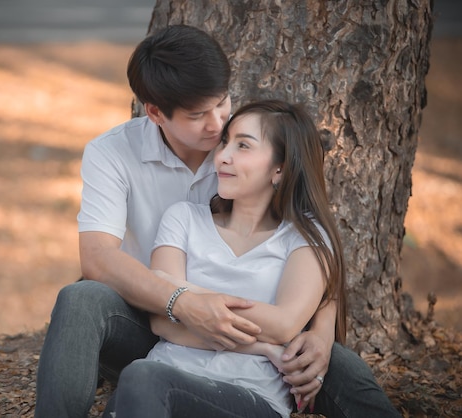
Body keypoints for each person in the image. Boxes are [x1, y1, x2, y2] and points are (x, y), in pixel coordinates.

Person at [34, 25, 400, 418]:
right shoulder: (113, 154)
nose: (216, 124)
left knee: (332, 363)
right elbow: (98, 259)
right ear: (155, 112)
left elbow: (314, 249)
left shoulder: (244, 145)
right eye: (197, 115)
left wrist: (322, 330)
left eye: (222, 102)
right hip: (153, 322)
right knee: (81, 299)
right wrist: (183, 303)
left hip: (256, 342)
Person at [104, 99, 346, 417]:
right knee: (139, 379)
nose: (222, 157)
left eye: (243, 146)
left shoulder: (304, 236)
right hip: (162, 379)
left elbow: (284, 325)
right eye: (225, 142)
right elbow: (162, 320)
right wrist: (262, 345)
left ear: (280, 168)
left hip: (248, 394)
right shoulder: (184, 218)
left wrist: (189, 294)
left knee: (141, 376)